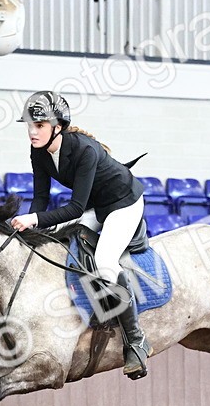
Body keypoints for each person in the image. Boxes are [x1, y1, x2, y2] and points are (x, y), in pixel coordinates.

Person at [8, 91, 152, 379]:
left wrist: (33, 219)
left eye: (39, 126)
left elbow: (74, 208)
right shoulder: (39, 152)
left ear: (57, 126)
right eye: (30, 126)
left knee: (106, 262)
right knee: (58, 241)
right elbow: (40, 199)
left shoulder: (84, 150)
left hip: (123, 203)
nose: (32, 132)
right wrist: (33, 227)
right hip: (95, 206)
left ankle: (135, 341)